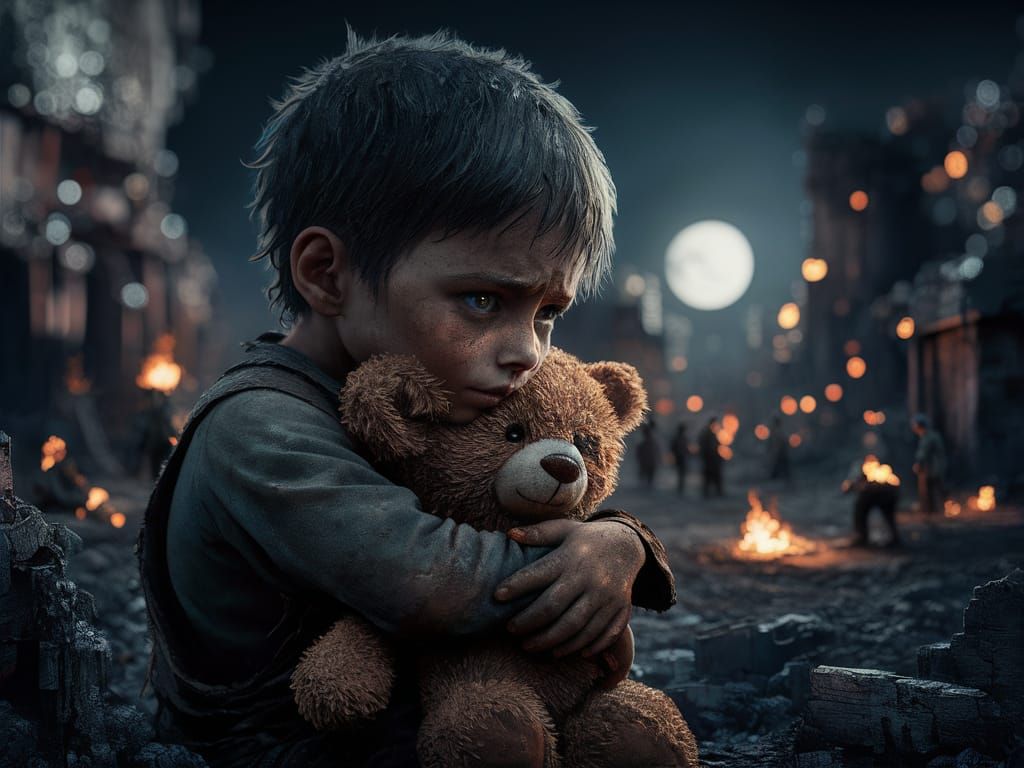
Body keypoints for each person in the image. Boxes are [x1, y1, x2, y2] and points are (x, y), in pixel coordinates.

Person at [138, 30, 677, 768]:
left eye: (547, 312)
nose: (530, 350)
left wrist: (620, 539)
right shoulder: (259, 426)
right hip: (282, 747)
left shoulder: (438, 397)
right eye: (484, 299)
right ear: (327, 274)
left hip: (420, 714)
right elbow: (428, 582)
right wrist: (600, 560)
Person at [841, 456, 902, 548]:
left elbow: (895, 483)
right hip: (870, 497)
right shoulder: (863, 474)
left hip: (884, 496)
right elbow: (850, 485)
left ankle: (894, 538)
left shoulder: (883, 472)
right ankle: (862, 537)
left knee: (888, 517)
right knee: (860, 513)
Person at [911, 413, 946, 517]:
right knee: (937, 489)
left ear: (918, 425)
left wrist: (918, 464)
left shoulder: (927, 437)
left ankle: (931, 512)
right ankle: (936, 511)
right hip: (937, 467)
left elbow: (923, 453)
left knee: (929, 490)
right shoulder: (933, 435)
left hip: (932, 468)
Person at [697, 416, 723, 498]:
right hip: (709, 459)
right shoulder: (707, 434)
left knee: (714, 477)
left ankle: (716, 492)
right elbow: (707, 447)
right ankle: (708, 493)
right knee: (709, 477)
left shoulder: (712, 434)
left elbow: (717, 445)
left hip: (712, 459)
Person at [767, 415, 792, 487]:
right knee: (779, 470)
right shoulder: (776, 432)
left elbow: (780, 444)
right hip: (779, 455)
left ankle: (785, 483)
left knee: (782, 469)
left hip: (780, 455)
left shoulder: (778, 432)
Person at [636, 419, 661, 490]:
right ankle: (647, 485)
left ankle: (647, 485)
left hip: (648, 460)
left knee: (648, 473)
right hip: (649, 460)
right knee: (648, 473)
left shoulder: (645, 443)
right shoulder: (649, 443)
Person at [670, 422, 689, 496]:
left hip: (680, 457)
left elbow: (673, 447)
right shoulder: (682, 438)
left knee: (681, 473)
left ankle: (681, 486)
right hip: (681, 458)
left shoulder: (679, 438)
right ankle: (680, 486)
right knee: (681, 473)